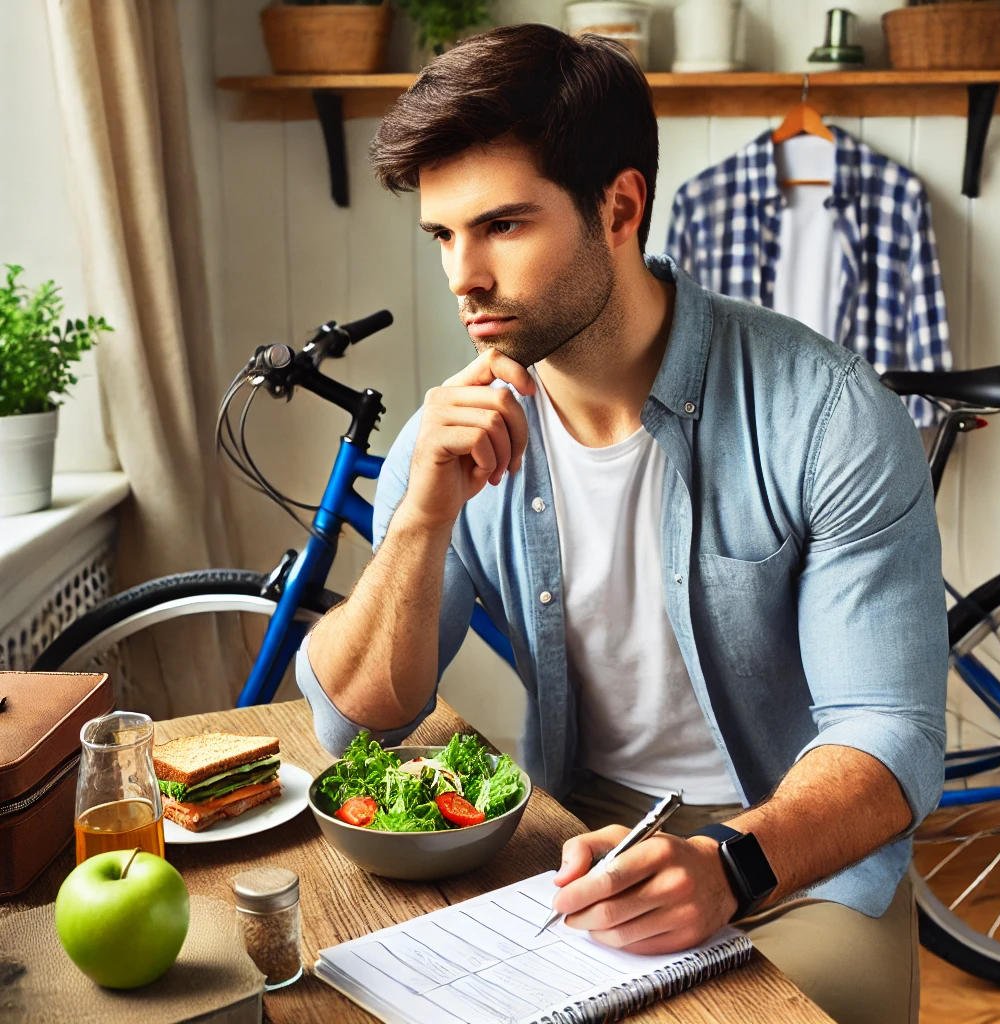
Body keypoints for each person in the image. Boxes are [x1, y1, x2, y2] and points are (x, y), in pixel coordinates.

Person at [295, 24, 947, 1024]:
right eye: (442, 234)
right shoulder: (452, 434)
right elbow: (358, 721)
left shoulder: (824, 411)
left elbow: (889, 735)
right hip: (571, 834)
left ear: (620, 207)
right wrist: (422, 518)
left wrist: (730, 862)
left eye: (502, 225)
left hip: (797, 859)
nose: (461, 274)